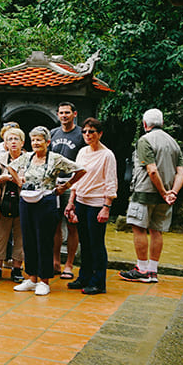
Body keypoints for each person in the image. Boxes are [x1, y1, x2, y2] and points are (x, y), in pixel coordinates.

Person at [7, 127, 85, 296]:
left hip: (46, 200)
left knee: (44, 240)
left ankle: (44, 280)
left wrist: (66, 186)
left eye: (39, 140)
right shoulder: (27, 157)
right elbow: (10, 167)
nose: (35, 143)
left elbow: (80, 170)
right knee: (28, 239)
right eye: (33, 140)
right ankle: (32, 277)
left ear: (47, 142)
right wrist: (19, 181)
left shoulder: (55, 159)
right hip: (26, 201)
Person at [120, 108, 183, 284]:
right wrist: (172, 193)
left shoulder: (145, 140)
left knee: (138, 227)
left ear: (144, 124)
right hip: (166, 196)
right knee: (157, 230)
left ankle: (141, 269)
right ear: (162, 123)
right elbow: (182, 172)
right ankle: (152, 271)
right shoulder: (173, 143)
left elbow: (152, 170)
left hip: (145, 191)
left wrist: (164, 192)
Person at [65, 118, 117, 294]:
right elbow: (77, 178)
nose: (87, 135)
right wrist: (71, 202)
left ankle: (98, 281)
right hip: (81, 200)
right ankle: (84, 277)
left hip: (97, 203)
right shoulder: (82, 152)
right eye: (85, 131)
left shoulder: (107, 155)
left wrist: (106, 206)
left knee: (96, 243)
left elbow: (111, 182)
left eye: (92, 132)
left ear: (100, 134)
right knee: (84, 242)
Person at [50, 101, 86, 280]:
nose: (64, 116)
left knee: (72, 224)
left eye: (67, 113)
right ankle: (56, 261)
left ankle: (69, 264)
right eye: (61, 112)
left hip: (73, 184)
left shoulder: (81, 135)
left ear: (74, 114)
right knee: (55, 225)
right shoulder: (53, 134)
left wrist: (73, 186)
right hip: (54, 184)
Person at [0, 126, 26, 284]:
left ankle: (17, 269)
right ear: (5, 143)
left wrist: (9, 178)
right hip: (4, 202)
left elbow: (26, 182)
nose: (13, 142)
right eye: (10, 139)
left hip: (23, 203)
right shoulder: (0, 160)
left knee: (21, 237)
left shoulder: (29, 159)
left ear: (22, 142)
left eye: (16, 139)